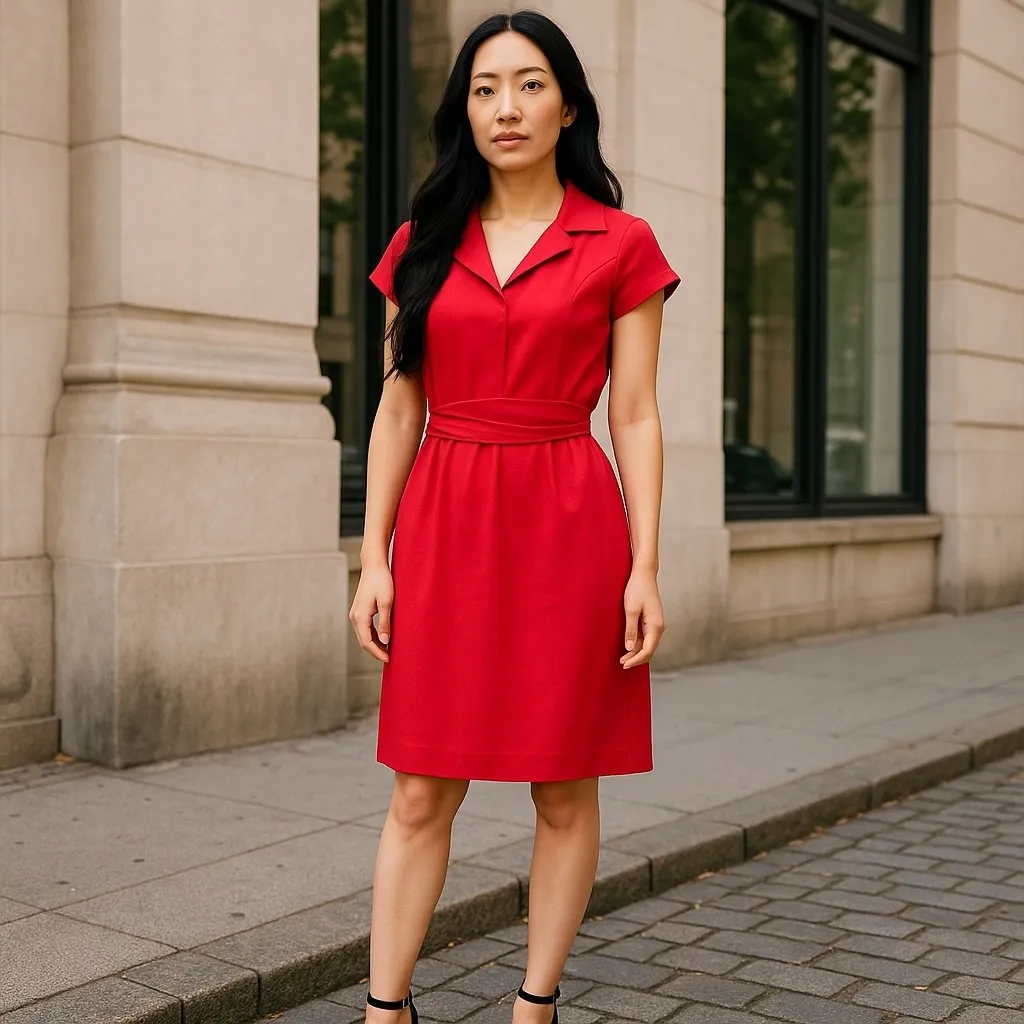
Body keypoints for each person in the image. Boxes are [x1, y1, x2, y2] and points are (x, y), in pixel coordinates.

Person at [349, 10, 679, 1024]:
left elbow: (633, 411)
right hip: (445, 519)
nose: (506, 107)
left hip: (567, 520)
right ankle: (384, 1009)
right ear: (464, 110)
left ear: (566, 104)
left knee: (563, 786)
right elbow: (399, 401)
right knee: (419, 787)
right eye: (486, 87)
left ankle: (533, 1006)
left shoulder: (620, 242)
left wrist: (645, 567)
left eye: (529, 84)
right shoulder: (422, 238)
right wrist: (373, 558)